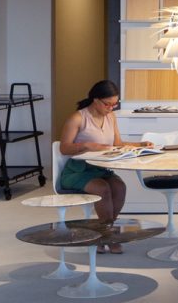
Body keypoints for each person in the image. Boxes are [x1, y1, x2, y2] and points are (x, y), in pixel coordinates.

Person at [58, 80, 147, 253]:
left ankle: (104, 232)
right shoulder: (78, 118)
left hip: (101, 167)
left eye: (115, 104)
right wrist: (86, 145)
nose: (111, 108)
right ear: (95, 100)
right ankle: (108, 235)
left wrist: (140, 144)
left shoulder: (110, 117)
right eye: (108, 104)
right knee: (103, 189)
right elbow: (64, 147)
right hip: (78, 170)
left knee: (119, 187)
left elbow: (117, 144)